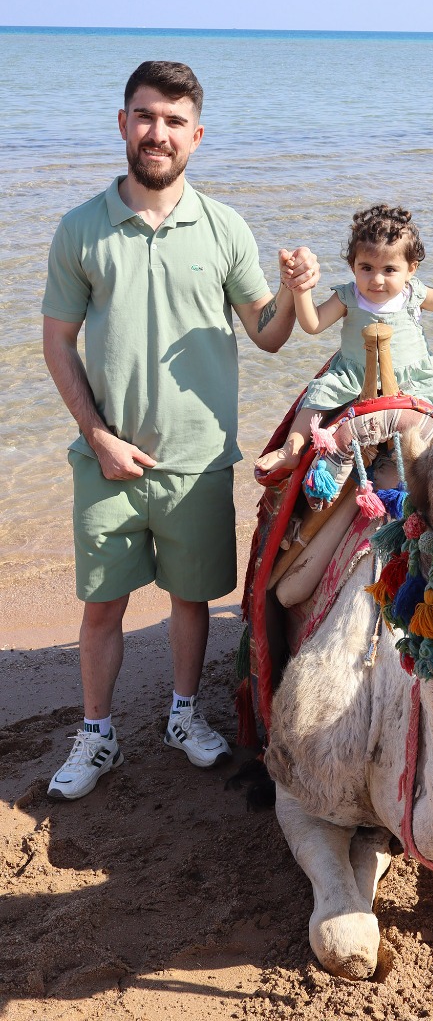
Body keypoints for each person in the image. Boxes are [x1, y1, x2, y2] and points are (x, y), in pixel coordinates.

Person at [42, 61, 318, 800]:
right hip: (103, 457)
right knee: (102, 605)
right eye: (143, 116)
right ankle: (97, 736)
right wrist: (95, 433)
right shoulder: (81, 228)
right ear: (123, 123)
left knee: (189, 599)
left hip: (198, 460)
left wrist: (294, 296)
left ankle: (184, 715)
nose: (156, 132)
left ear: (196, 135)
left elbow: (266, 333)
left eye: (172, 121)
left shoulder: (224, 226)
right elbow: (57, 341)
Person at [254, 205, 433, 475]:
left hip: (414, 374)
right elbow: (313, 324)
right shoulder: (348, 297)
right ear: (352, 265)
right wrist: (301, 290)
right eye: (366, 267)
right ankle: (291, 450)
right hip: (353, 373)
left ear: (411, 269)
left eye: (389, 269)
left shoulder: (414, 294)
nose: (376, 279)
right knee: (318, 394)